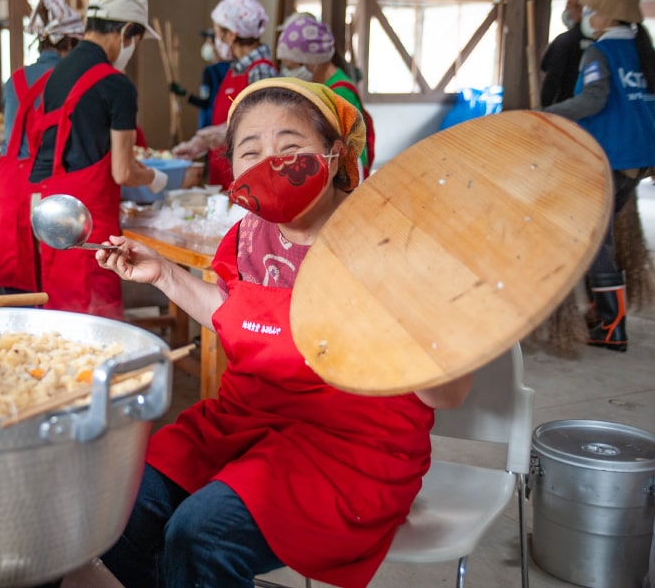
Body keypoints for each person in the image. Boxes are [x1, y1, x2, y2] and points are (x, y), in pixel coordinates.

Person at [94, 78, 474, 588]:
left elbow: (448, 393)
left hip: (354, 446)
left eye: (291, 148)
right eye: (252, 151)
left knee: (201, 534)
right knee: (120, 502)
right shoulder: (249, 236)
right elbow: (238, 316)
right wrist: (163, 273)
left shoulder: (393, 243)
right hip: (244, 422)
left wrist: (402, 323)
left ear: (335, 155)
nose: (270, 163)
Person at [27, 0, 168, 318]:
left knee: (61, 311)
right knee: (96, 316)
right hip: (89, 218)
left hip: (53, 208)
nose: (132, 47)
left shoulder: (56, 73)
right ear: (125, 32)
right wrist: (155, 178)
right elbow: (123, 171)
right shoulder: (115, 84)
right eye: (134, 39)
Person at [544, 0, 655, 352]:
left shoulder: (601, 52)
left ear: (607, 17)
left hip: (610, 153)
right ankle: (602, 315)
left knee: (597, 240)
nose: (587, 16)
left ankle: (611, 326)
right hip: (639, 156)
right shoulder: (642, 52)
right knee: (602, 236)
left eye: (592, 9)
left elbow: (592, 100)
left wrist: (548, 114)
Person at [0, 0, 84, 293]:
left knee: (15, 274)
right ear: (69, 44)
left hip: (8, 182)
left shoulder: (14, 79)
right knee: (49, 273)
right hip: (47, 185)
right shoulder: (72, 80)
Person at [172, 0, 279, 189]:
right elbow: (233, 119)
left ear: (231, 35)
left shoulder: (260, 71)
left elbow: (264, 128)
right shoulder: (235, 68)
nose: (215, 40)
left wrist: (225, 134)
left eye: (217, 34)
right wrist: (199, 145)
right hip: (225, 174)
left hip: (248, 179)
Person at [276, 13, 374, 179]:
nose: (288, 74)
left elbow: (350, 153)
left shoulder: (340, 93)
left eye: (291, 67)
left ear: (311, 62)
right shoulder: (325, 87)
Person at [540, 0, 593, 107]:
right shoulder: (602, 41)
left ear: (582, 10)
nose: (567, 9)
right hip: (591, 112)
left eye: (569, 4)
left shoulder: (565, 41)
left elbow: (552, 79)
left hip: (564, 109)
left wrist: (545, 108)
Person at [169, 29, 231, 129]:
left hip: (210, 123)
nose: (206, 45)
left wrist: (184, 94)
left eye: (208, 42)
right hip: (227, 122)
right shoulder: (233, 68)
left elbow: (204, 102)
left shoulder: (210, 71)